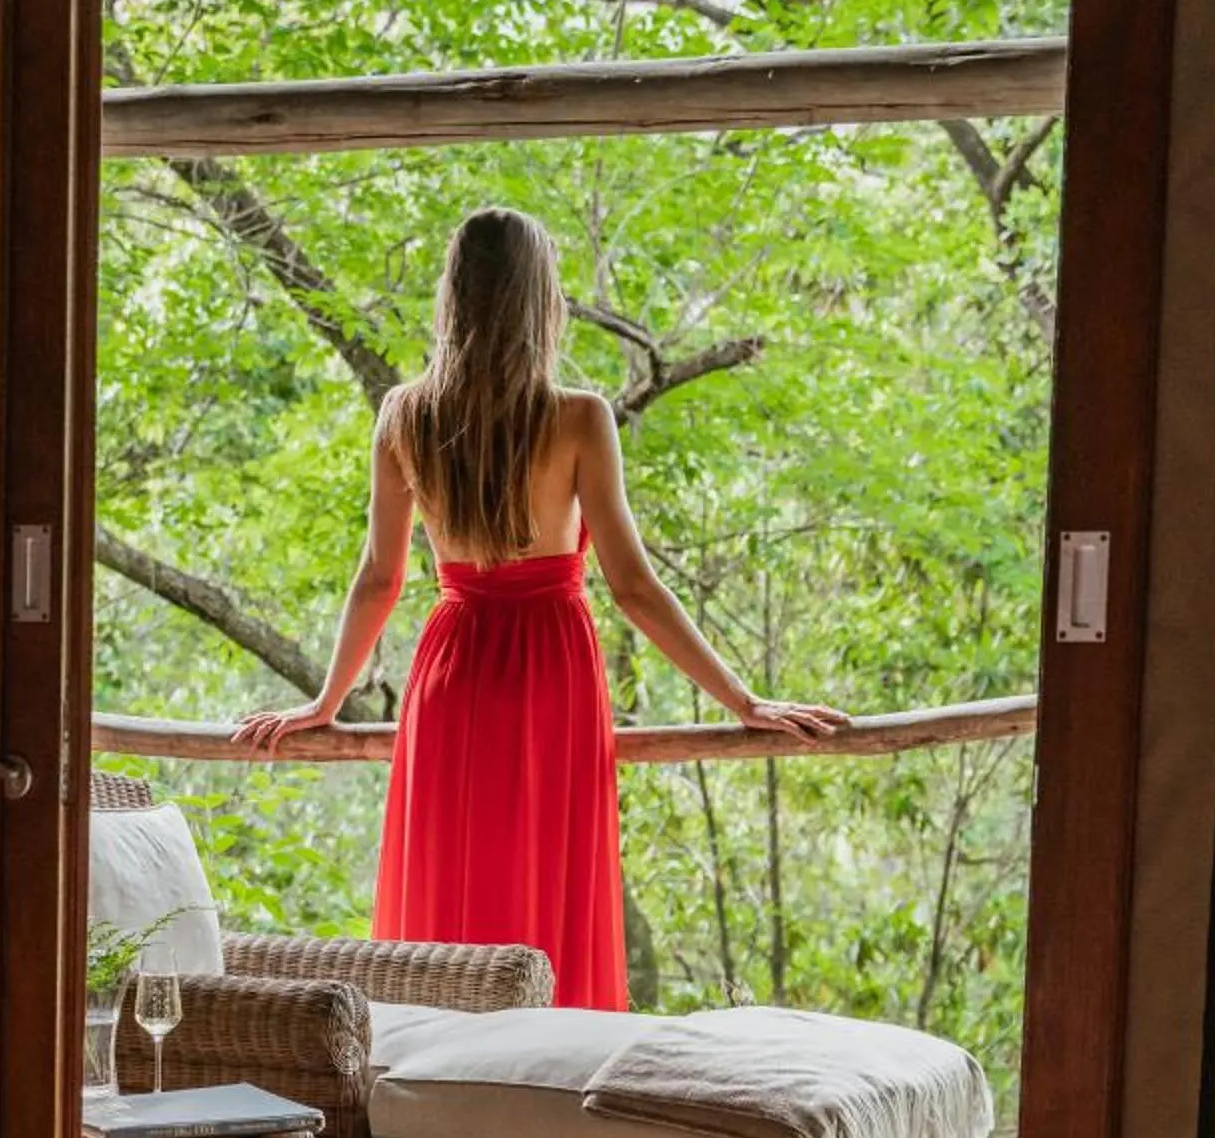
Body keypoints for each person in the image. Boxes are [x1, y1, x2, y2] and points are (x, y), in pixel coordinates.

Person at [231, 207, 845, 1009]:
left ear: (453, 294)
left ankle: (434, 1067)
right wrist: (743, 700)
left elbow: (379, 578)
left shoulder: (406, 416)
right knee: (547, 888)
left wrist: (326, 700)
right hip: (552, 671)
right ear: (541, 298)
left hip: (451, 674)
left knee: (447, 893)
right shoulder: (579, 417)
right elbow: (633, 586)